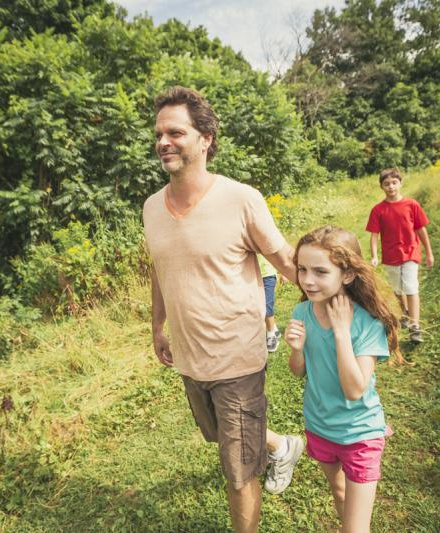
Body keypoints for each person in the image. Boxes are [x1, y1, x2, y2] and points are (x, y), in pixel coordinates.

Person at [143, 86, 303, 532]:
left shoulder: (240, 199)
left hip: (237, 356)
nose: (162, 142)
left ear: (206, 138)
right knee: (220, 436)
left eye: (175, 132)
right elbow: (159, 270)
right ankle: (280, 445)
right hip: (190, 359)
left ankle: (262, 462)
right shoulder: (151, 207)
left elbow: (285, 260)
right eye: (159, 134)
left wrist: (334, 304)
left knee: (238, 472)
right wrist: (157, 327)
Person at [284, 226, 399, 532]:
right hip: (319, 426)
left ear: (347, 275)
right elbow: (300, 370)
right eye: (302, 269)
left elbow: (354, 389)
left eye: (320, 271)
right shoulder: (301, 310)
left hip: (360, 434)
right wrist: (296, 351)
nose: (308, 280)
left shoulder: (365, 323)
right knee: (339, 492)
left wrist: (341, 331)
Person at [366, 168, 434, 343]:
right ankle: (405, 312)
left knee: (411, 287)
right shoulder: (378, 210)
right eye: (386, 184)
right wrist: (374, 256)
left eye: (394, 183)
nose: (391, 187)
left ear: (400, 183)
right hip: (390, 256)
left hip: (411, 252)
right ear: (381, 187)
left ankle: (415, 326)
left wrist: (429, 252)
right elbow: (374, 235)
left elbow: (421, 230)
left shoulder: (412, 205)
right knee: (397, 288)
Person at [258, 254, 280, 352]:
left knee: (267, 305)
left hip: (268, 275)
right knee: (258, 306)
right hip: (252, 275)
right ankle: (273, 328)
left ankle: (271, 335)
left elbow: (277, 254)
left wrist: (282, 273)